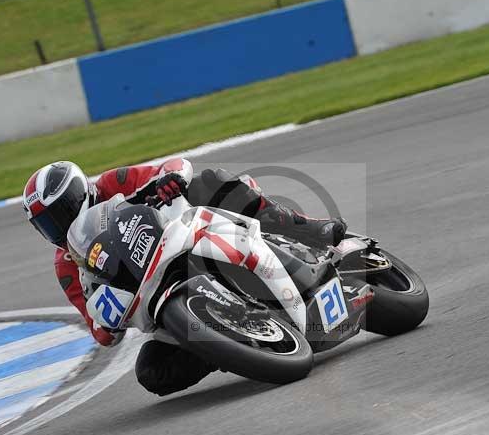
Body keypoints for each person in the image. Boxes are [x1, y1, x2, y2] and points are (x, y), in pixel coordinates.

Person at [22, 159, 346, 396]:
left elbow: (172, 166)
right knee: (151, 372)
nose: (57, 227)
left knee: (210, 181)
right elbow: (98, 330)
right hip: (156, 294)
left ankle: (302, 226)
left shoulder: (111, 183)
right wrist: (106, 320)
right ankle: (227, 344)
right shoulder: (67, 265)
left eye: (61, 213)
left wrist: (170, 178)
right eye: (46, 224)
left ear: (79, 193)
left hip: (186, 231)